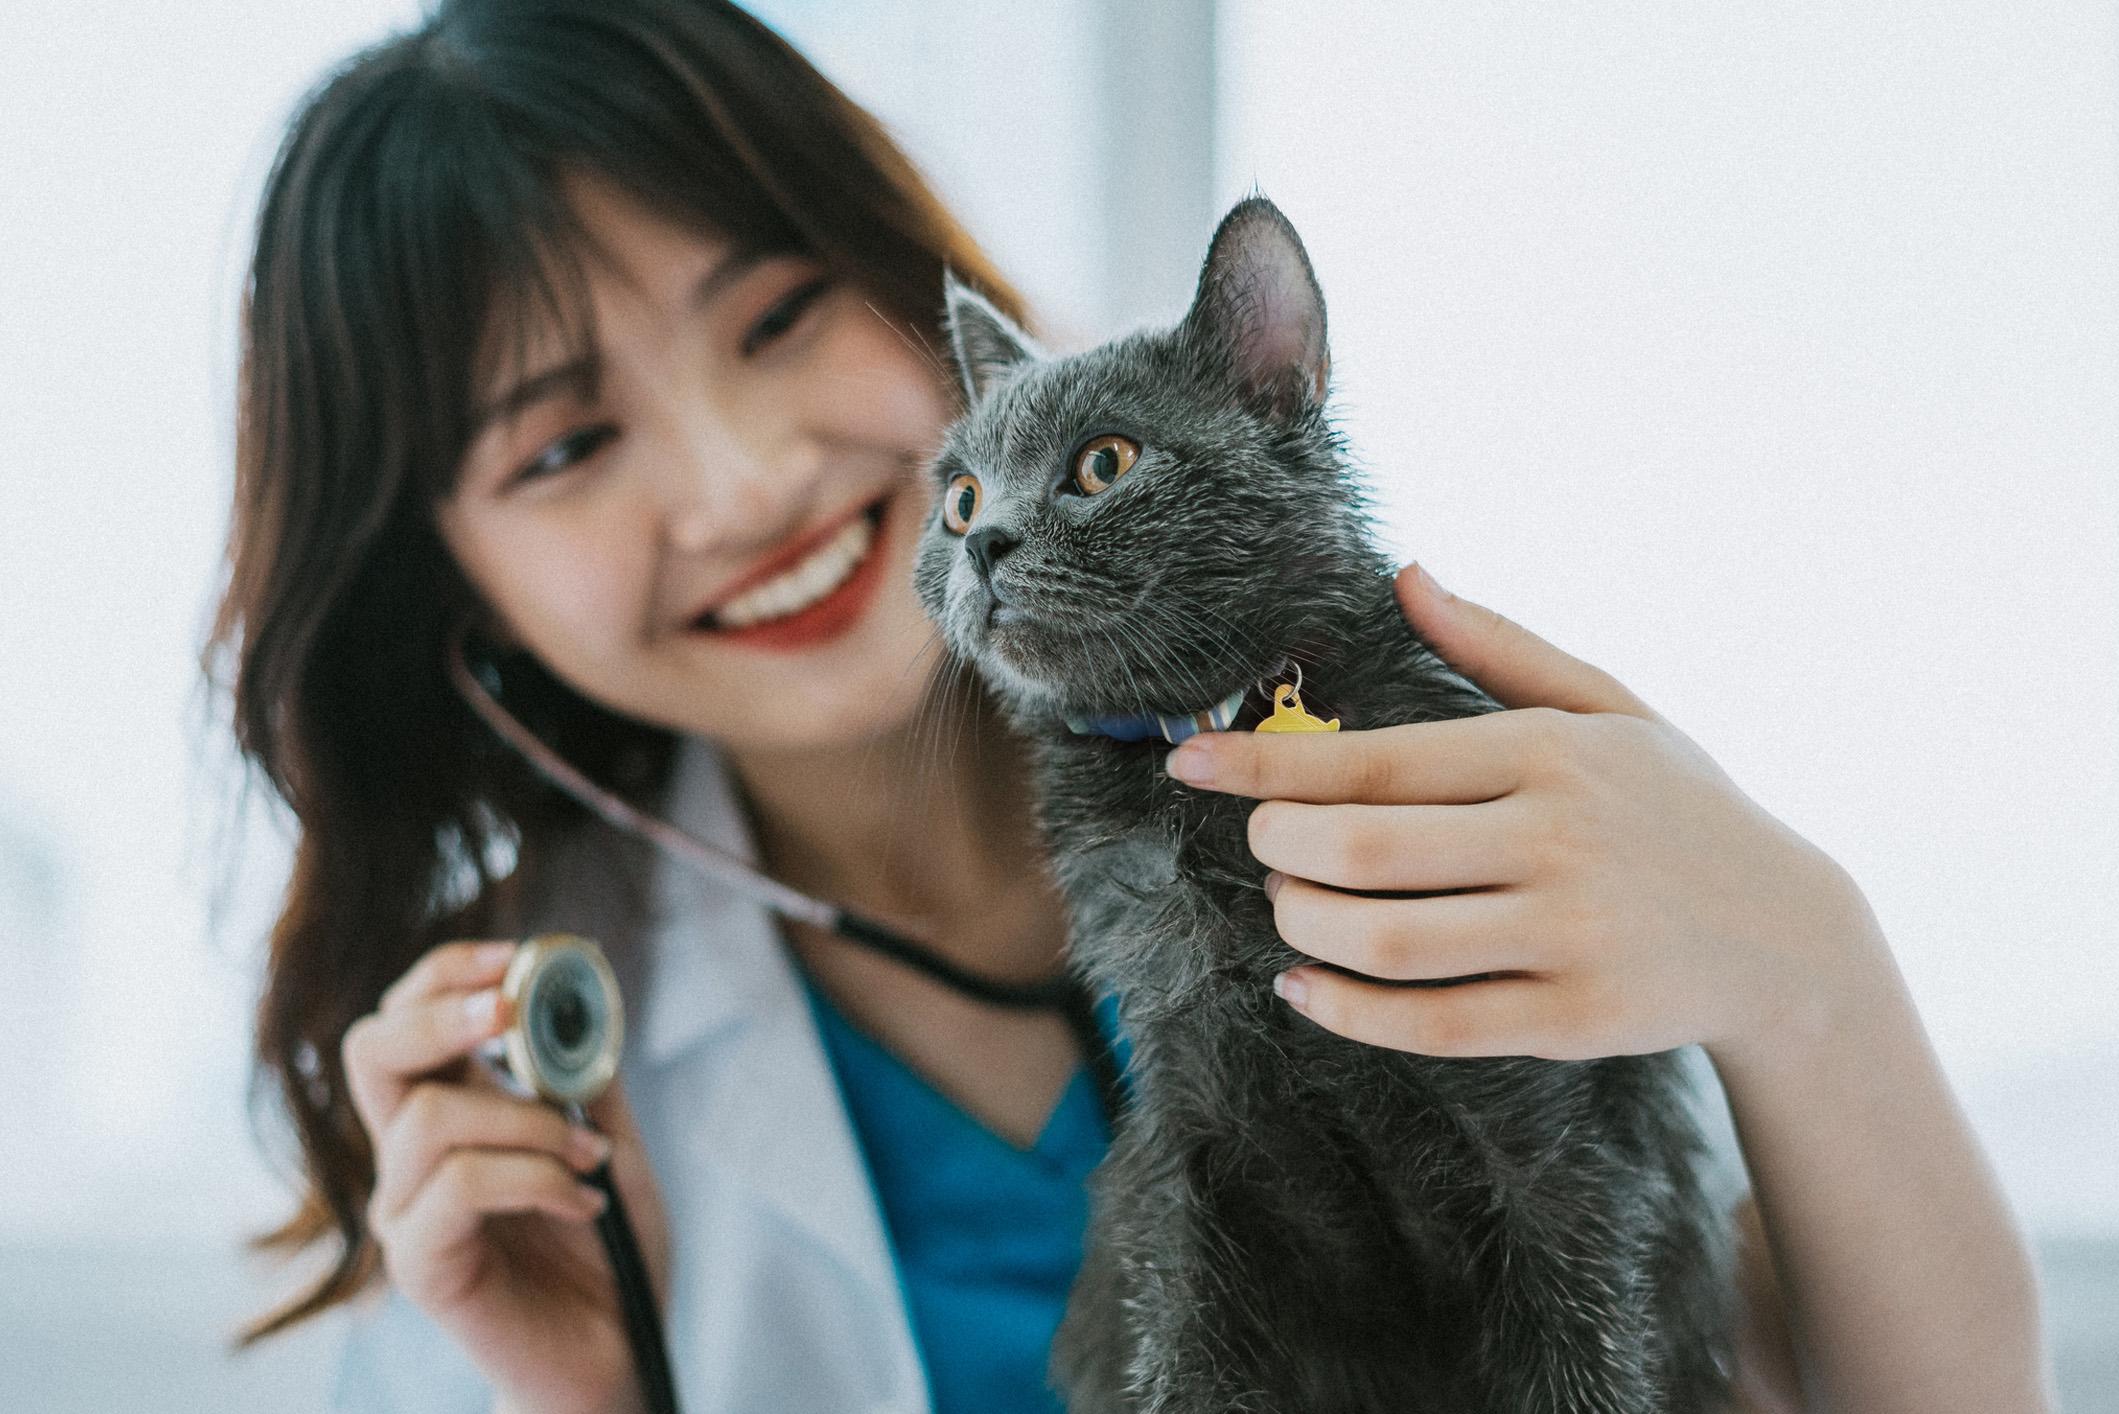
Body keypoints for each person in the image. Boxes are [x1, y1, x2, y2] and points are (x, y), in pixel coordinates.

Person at [206, 2, 2053, 1411]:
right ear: (455, 590)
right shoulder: (511, 1106)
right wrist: (609, 1396)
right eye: (569, 442)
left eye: (775, 316)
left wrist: (1804, 969)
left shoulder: (1401, 746)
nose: (743, 475)